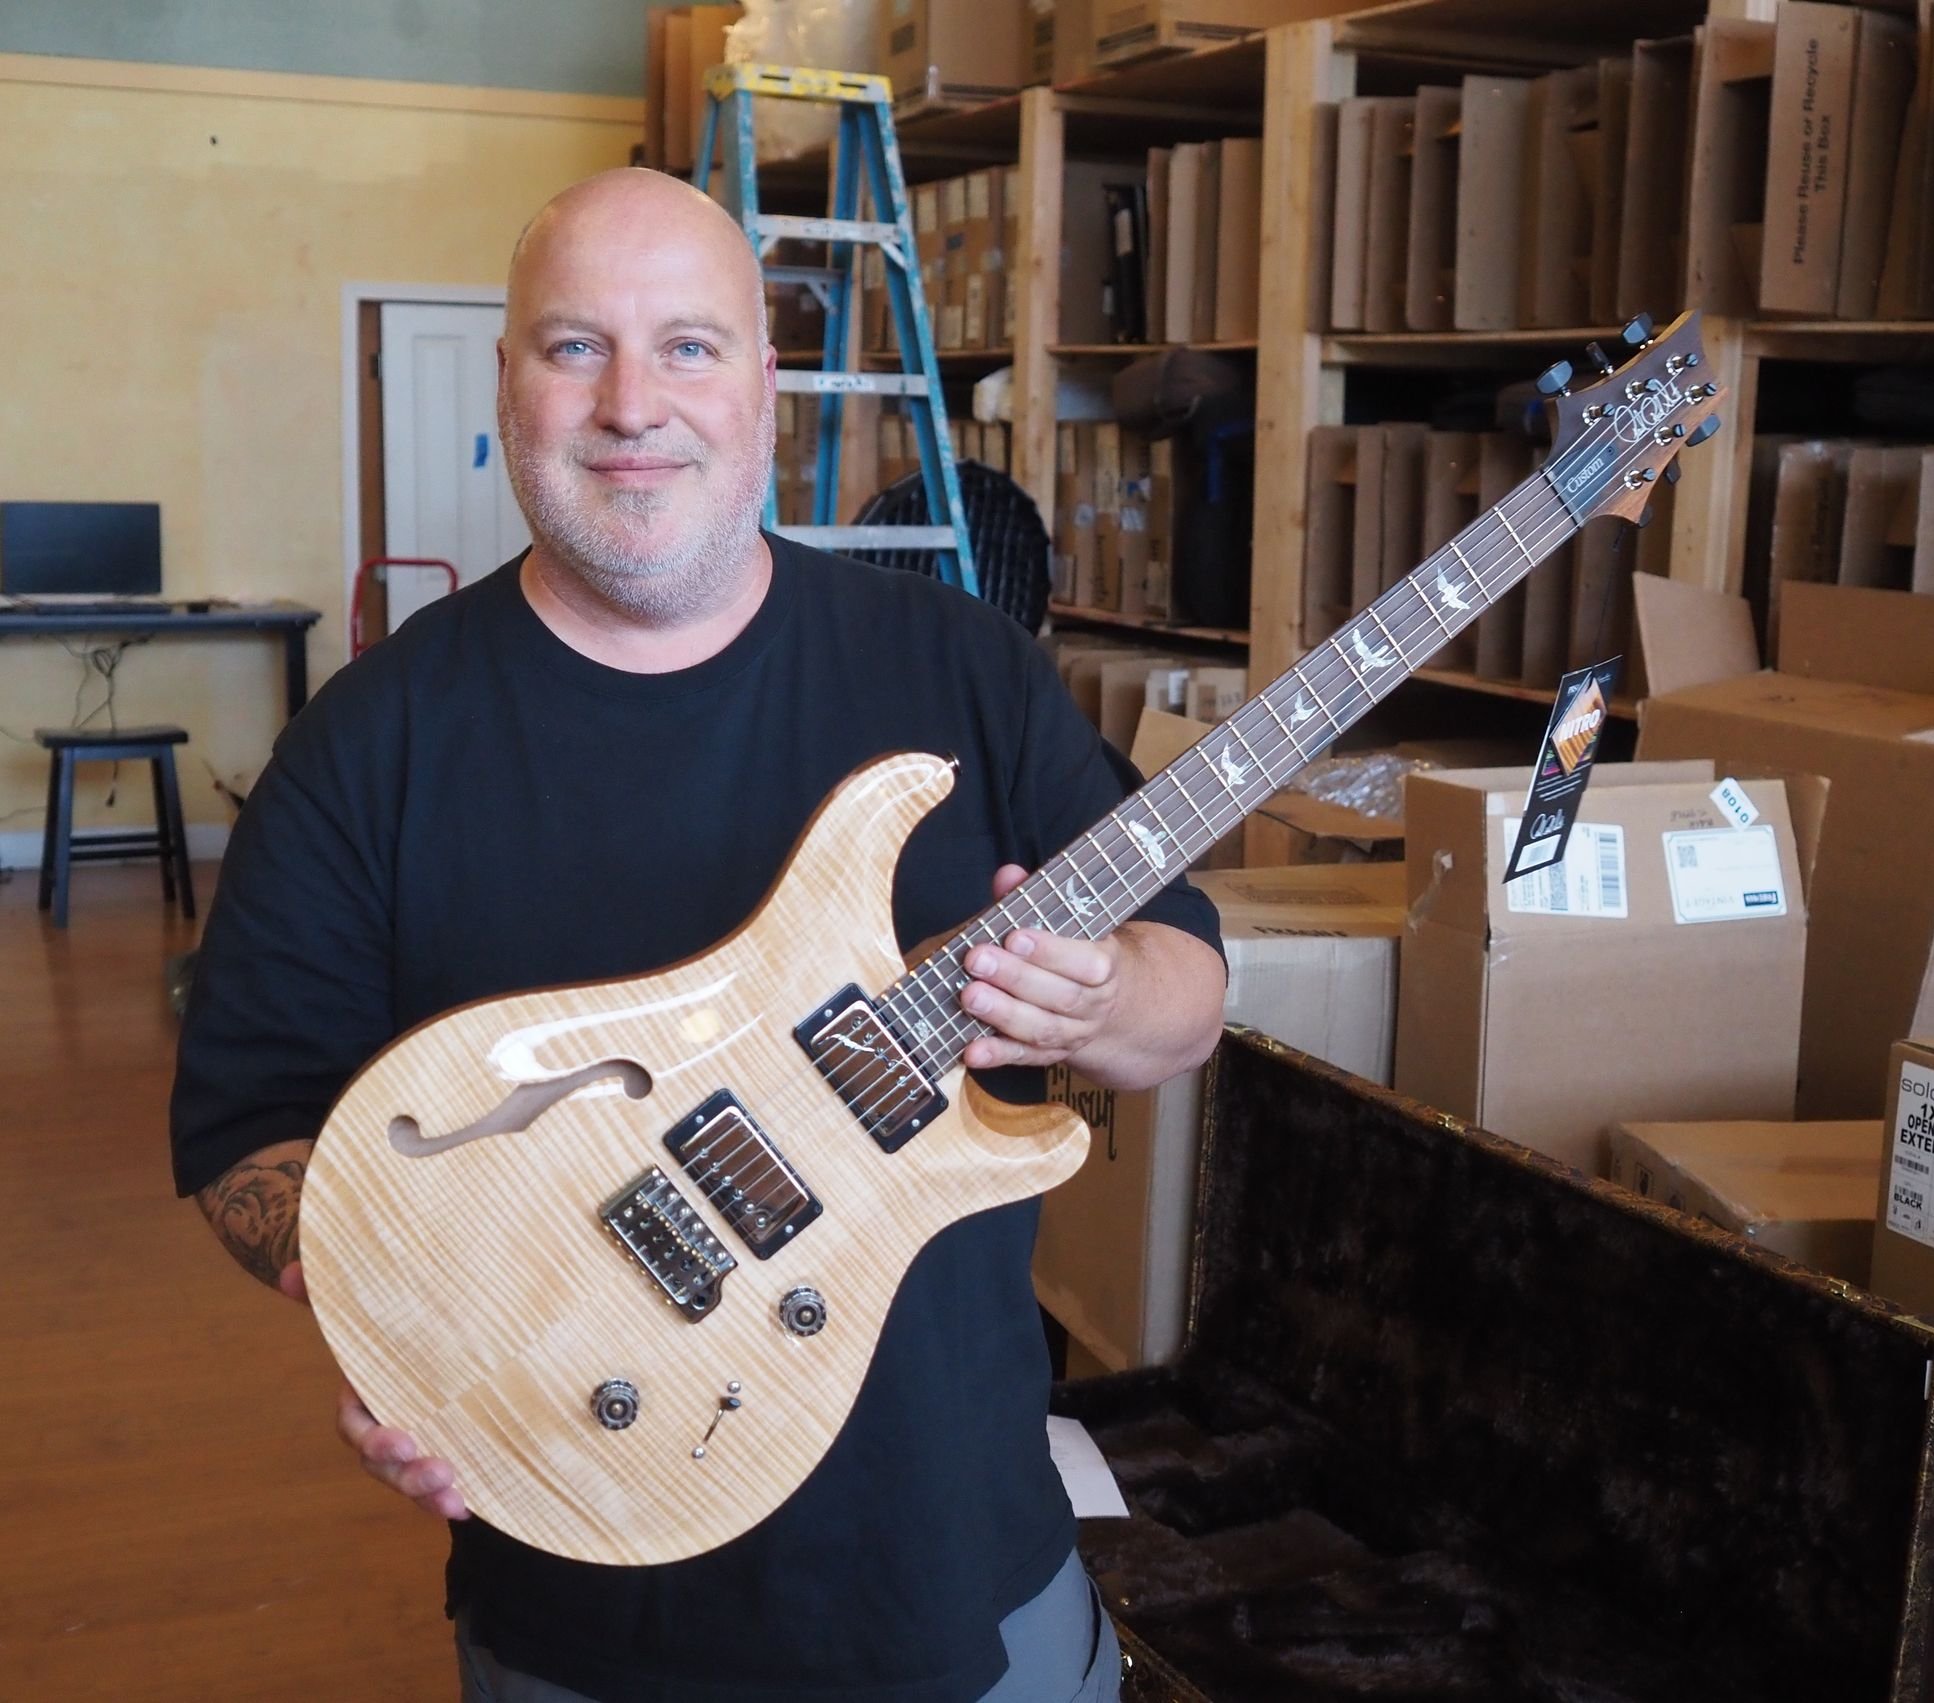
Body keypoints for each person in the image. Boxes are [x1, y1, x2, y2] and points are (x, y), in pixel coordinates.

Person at [170, 168, 1226, 1703]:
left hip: (966, 1572)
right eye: (575, 347)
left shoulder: (965, 672)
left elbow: (1187, 994)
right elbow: (250, 1128)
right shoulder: (372, 741)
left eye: (687, 346)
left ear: (764, 386)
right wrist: (408, 1326)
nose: (631, 404)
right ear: (509, 383)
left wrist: (1108, 994)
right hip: (583, 1619)